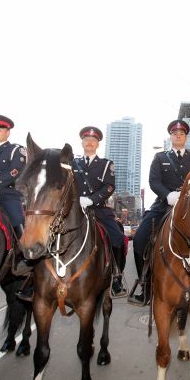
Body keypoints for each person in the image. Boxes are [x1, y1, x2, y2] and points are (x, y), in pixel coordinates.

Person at [128, 120, 190, 306]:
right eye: (175, 133)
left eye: (181, 133)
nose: (178, 136)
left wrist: (185, 196)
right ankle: (146, 285)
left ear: (186, 137)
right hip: (163, 205)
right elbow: (154, 181)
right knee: (140, 239)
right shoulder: (160, 158)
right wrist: (168, 195)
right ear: (171, 136)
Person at [73, 126, 127, 298]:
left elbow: (109, 186)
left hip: (98, 210)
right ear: (82, 142)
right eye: (86, 140)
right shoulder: (72, 163)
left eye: (93, 140)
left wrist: (91, 199)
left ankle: (116, 276)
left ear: (97, 144)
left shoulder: (106, 164)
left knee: (118, 238)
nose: (89, 142)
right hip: (75, 209)